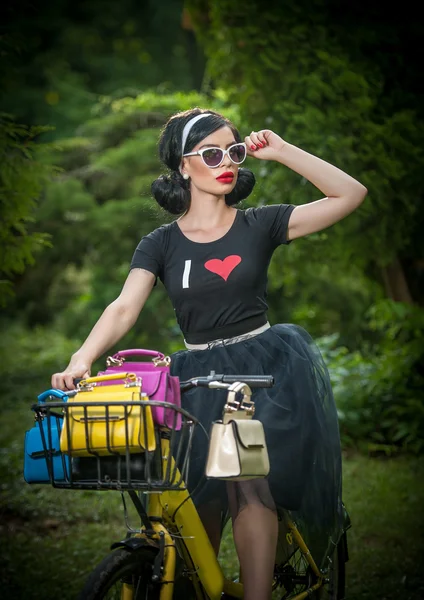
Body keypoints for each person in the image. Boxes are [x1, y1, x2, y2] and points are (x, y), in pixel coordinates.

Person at [52, 108, 367, 600]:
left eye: (234, 152)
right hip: (197, 377)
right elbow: (122, 308)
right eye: (212, 153)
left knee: (246, 484)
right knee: (194, 501)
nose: (227, 163)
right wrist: (80, 357)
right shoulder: (160, 243)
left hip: (263, 371)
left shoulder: (260, 224)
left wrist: (281, 151)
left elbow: (350, 194)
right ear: (183, 165)